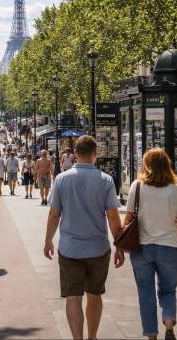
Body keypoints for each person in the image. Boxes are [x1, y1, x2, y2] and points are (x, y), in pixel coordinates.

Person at [44, 135, 124, 340]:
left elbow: (54, 214)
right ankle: (92, 337)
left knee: (73, 297)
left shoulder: (62, 179)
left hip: (70, 249)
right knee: (95, 295)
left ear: (75, 154)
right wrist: (120, 245)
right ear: (95, 155)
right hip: (98, 248)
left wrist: (48, 240)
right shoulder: (105, 180)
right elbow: (113, 217)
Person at [123, 148, 177, 340]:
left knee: (145, 293)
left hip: (141, 248)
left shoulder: (137, 187)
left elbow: (128, 220)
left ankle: (151, 335)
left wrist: (120, 248)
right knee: (168, 289)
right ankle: (169, 324)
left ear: (147, 165)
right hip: (169, 248)